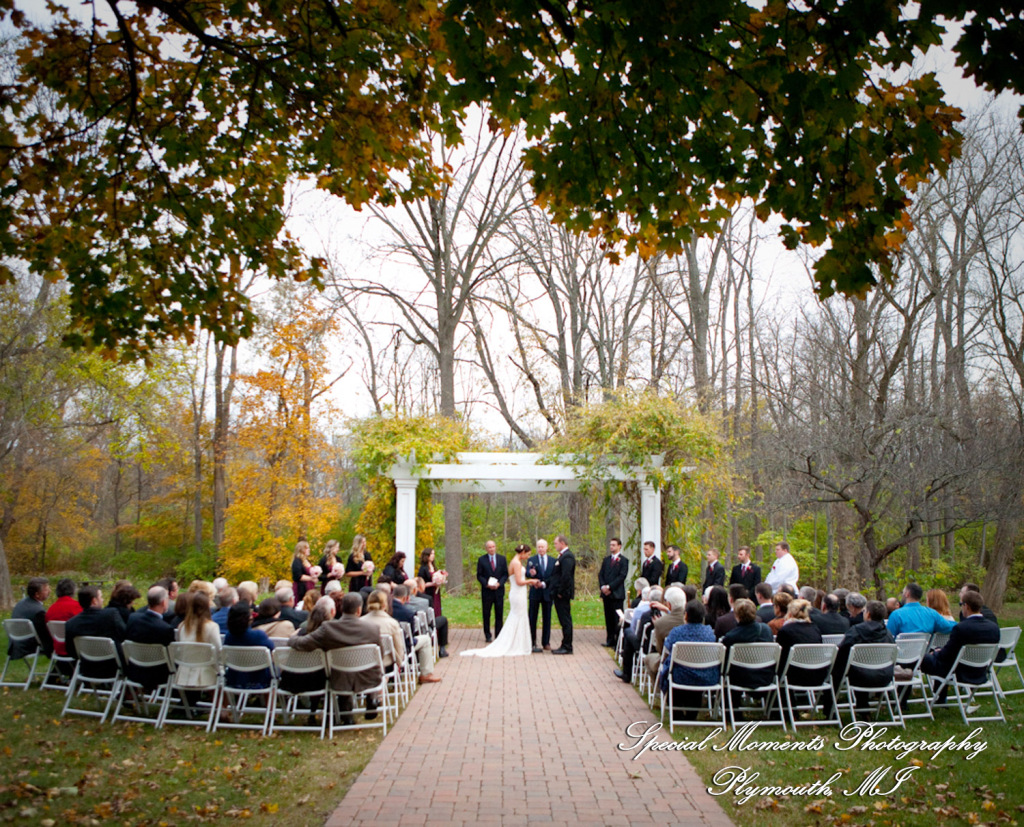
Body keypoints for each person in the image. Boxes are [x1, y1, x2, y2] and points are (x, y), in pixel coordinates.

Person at [289, 592, 383, 724]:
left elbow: (302, 643)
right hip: (367, 677)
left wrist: (292, 638)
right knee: (360, 668)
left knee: (342, 671)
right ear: (359, 610)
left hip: (340, 676)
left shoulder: (328, 628)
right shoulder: (373, 628)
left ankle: (347, 714)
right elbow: (380, 655)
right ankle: (371, 698)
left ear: (340, 608)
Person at [921, 590, 1001, 700]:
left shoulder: (962, 628)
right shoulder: (994, 628)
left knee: (923, 658)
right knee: (943, 660)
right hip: (981, 671)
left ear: (966, 606)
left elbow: (946, 655)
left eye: (960, 604)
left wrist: (935, 653)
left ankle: (902, 699)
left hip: (960, 672)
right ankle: (940, 698)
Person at [462, 543, 539, 658]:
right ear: (522, 553)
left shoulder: (514, 561)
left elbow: (506, 575)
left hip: (517, 592)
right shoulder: (516, 563)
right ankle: (514, 643)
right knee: (517, 616)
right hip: (517, 593)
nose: (528, 557)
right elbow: (518, 581)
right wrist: (531, 581)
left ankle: (518, 642)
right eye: (527, 554)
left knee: (517, 616)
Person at [824, 600, 894, 717]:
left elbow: (842, 651)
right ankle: (863, 708)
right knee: (859, 667)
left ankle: (829, 711)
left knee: (836, 670)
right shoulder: (888, 634)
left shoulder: (856, 631)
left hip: (860, 677)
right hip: (884, 676)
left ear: (868, 615)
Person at [658, 599, 717, 721]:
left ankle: (677, 713)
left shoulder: (677, 632)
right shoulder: (709, 633)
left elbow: (667, 649)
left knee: (672, 669)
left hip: (681, 675)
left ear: (686, 615)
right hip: (704, 676)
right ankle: (691, 713)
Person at [64, 586, 127, 678]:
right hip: (112, 664)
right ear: (94, 601)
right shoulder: (110, 615)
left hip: (88, 666)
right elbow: (125, 635)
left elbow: (71, 650)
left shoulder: (71, 623)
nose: (102, 599)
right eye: (101, 597)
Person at [124, 586, 176, 690]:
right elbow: (171, 654)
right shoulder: (165, 628)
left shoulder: (133, 618)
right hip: (158, 674)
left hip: (135, 668)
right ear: (163, 602)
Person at [389, 585, 442, 682]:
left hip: (386, 647)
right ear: (406, 597)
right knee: (426, 639)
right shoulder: (407, 613)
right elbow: (411, 635)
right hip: (403, 646)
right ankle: (426, 674)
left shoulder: (387, 609)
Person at [176, 590, 222, 688]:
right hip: (206, 673)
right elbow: (218, 651)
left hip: (184, 671)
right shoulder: (212, 626)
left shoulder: (182, 626)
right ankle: (221, 703)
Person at [223, 604, 275, 689]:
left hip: (236, 676)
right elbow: (272, 649)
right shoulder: (258, 635)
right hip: (259, 677)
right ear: (248, 618)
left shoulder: (229, 636)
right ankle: (270, 701)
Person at [887, 582, 956, 637]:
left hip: (900, 653)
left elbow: (889, 637)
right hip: (923, 653)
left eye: (903, 592)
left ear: (907, 594)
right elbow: (949, 627)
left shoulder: (896, 614)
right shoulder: (932, 613)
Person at [361, 590, 405, 670]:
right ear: (385, 605)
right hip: (386, 664)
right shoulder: (392, 623)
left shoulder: (359, 623)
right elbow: (399, 649)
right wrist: (400, 662)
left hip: (363, 665)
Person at [10, 577, 52, 659]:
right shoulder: (38, 611)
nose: (50, 591)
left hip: (16, 645)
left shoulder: (21, 604)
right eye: (46, 590)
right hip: (28, 647)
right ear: (37, 594)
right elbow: (45, 634)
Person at [598, 537, 629, 648]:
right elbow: (601, 574)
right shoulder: (606, 560)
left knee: (617, 618)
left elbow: (622, 576)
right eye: (610, 545)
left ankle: (618, 641)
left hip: (617, 594)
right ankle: (609, 639)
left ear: (619, 546)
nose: (611, 547)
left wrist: (610, 587)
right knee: (608, 617)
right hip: (606, 594)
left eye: (614, 545)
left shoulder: (624, 561)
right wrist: (603, 587)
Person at [476, 540, 509, 642]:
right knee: (487, 613)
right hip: (487, 591)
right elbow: (479, 575)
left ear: (496, 547)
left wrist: (499, 583)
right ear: (486, 549)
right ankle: (487, 634)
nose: (492, 549)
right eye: (489, 547)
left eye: (493, 547)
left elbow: (505, 574)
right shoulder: (482, 560)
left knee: (499, 613)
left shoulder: (502, 559)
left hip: (499, 591)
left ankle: (498, 634)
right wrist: (486, 584)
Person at [525, 539, 554, 652]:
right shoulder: (532, 560)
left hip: (547, 592)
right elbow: (527, 573)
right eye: (539, 547)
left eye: (543, 547)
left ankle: (546, 642)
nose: (541, 549)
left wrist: (544, 583)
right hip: (535, 593)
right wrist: (530, 574)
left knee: (547, 618)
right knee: (532, 617)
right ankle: (532, 642)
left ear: (547, 547)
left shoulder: (552, 561)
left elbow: (554, 576)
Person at [550, 535, 576, 654]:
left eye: (555, 543)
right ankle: (565, 644)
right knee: (563, 619)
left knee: (565, 620)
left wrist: (560, 592)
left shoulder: (567, 557)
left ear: (562, 543)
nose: (554, 545)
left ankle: (567, 646)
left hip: (563, 594)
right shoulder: (562, 556)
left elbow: (566, 576)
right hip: (558, 593)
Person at [45, 578, 82, 658]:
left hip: (58, 647)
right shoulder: (76, 606)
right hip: (74, 647)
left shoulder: (51, 609)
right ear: (73, 590)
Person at [418, 548, 444, 617]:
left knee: (437, 607)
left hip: (435, 591)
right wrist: (433, 583)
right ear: (427, 555)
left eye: (434, 554)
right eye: (432, 554)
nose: (433, 556)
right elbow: (421, 583)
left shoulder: (433, 566)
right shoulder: (423, 568)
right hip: (428, 591)